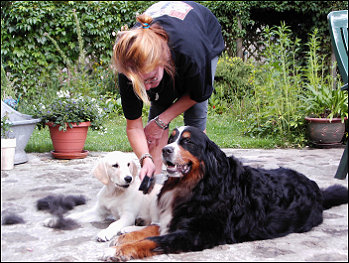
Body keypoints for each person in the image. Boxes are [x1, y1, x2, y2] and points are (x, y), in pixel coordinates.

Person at [112, 1, 225, 181]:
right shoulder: (129, 67)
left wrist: (161, 121)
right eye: (141, 84)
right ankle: (152, 182)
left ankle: (198, 185)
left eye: (150, 79)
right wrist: (145, 158)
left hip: (203, 34)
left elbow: (198, 94)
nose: (147, 88)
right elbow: (134, 126)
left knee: (194, 123)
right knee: (158, 112)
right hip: (171, 44)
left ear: (163, 61)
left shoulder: (191, 52)